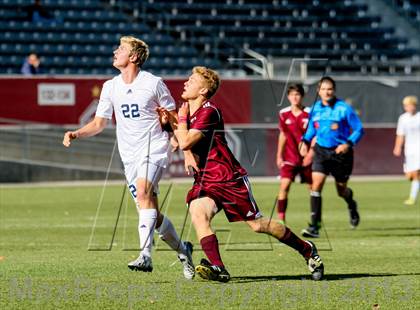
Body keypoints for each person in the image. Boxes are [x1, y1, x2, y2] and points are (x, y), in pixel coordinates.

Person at [163, 66, 324, 282]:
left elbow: (184, 141)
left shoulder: (209, 110)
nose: (185, 83)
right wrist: (168, 125)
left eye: (191, 80)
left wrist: (179, 121)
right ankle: (218, 267)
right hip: (206, 180)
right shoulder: (189, 113)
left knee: (258, 226)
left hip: (229, 178)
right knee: (198, 214)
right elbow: (178, 140)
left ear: (203, 91)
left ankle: (306, 249)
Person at [62, 36, 196, 279]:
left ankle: (145, 255)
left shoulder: (154, 83)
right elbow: (99, 123)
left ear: (133, 56)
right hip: (129, 156)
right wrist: (76, 133)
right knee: (152, 214)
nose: (115, 51)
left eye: (121, 49)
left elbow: (174, 119)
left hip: (154, 148)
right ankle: (183, 249)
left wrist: (183, 147)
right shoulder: (110, 86)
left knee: (144, 192)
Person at [299, 76, 364, 238]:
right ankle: (315, 226)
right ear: (318, 91)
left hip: (341, 154)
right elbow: (311, 130)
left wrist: (348, 144)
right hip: (321, 151)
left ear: (334, 90)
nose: (327, 92)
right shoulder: (315, 109)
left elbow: (359, 129)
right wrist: (304, 141)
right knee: (316, 186)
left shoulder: (344, 108)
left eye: (330, 89)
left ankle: (351, 204)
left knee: (341, 190)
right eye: (323, 89)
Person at [276, 83, 313, 224]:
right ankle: (281, 220)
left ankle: (315, 219)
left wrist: (310, 153)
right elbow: (283, 135)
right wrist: (279, 155)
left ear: (302, 96)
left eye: (297, 94)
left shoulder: (309, 113)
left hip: (307, 158)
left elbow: (315, 135)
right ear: (288, 97)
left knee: (313, 188)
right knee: (284, 186)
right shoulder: (283, 113)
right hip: (290, 157)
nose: (295, 97)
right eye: (292, 95)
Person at [393, 95, 420, 206]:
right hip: (409, 150)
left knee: (416, 173)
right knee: (409, 175)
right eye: (406, 105)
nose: (408, 107)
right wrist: (397, 147)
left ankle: (412, 198)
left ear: (415, 105)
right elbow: (400, 134)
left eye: (410, 105)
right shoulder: (403, 118)